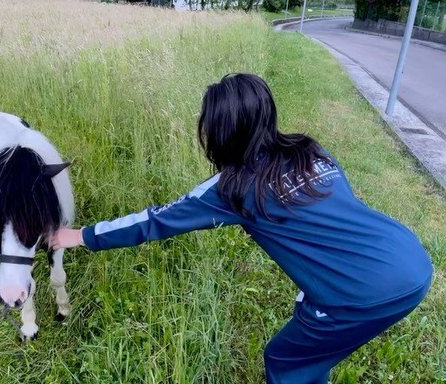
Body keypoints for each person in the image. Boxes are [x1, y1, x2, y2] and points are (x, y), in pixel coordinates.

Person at [50, 73, 433, 383]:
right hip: (411, 258)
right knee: (310, 352)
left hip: (361, 294)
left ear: (219, 131)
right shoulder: (311, 152)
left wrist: (80, 235)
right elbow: (337, 214)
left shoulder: (230, 189)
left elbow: (153, 221)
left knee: (284, 360)